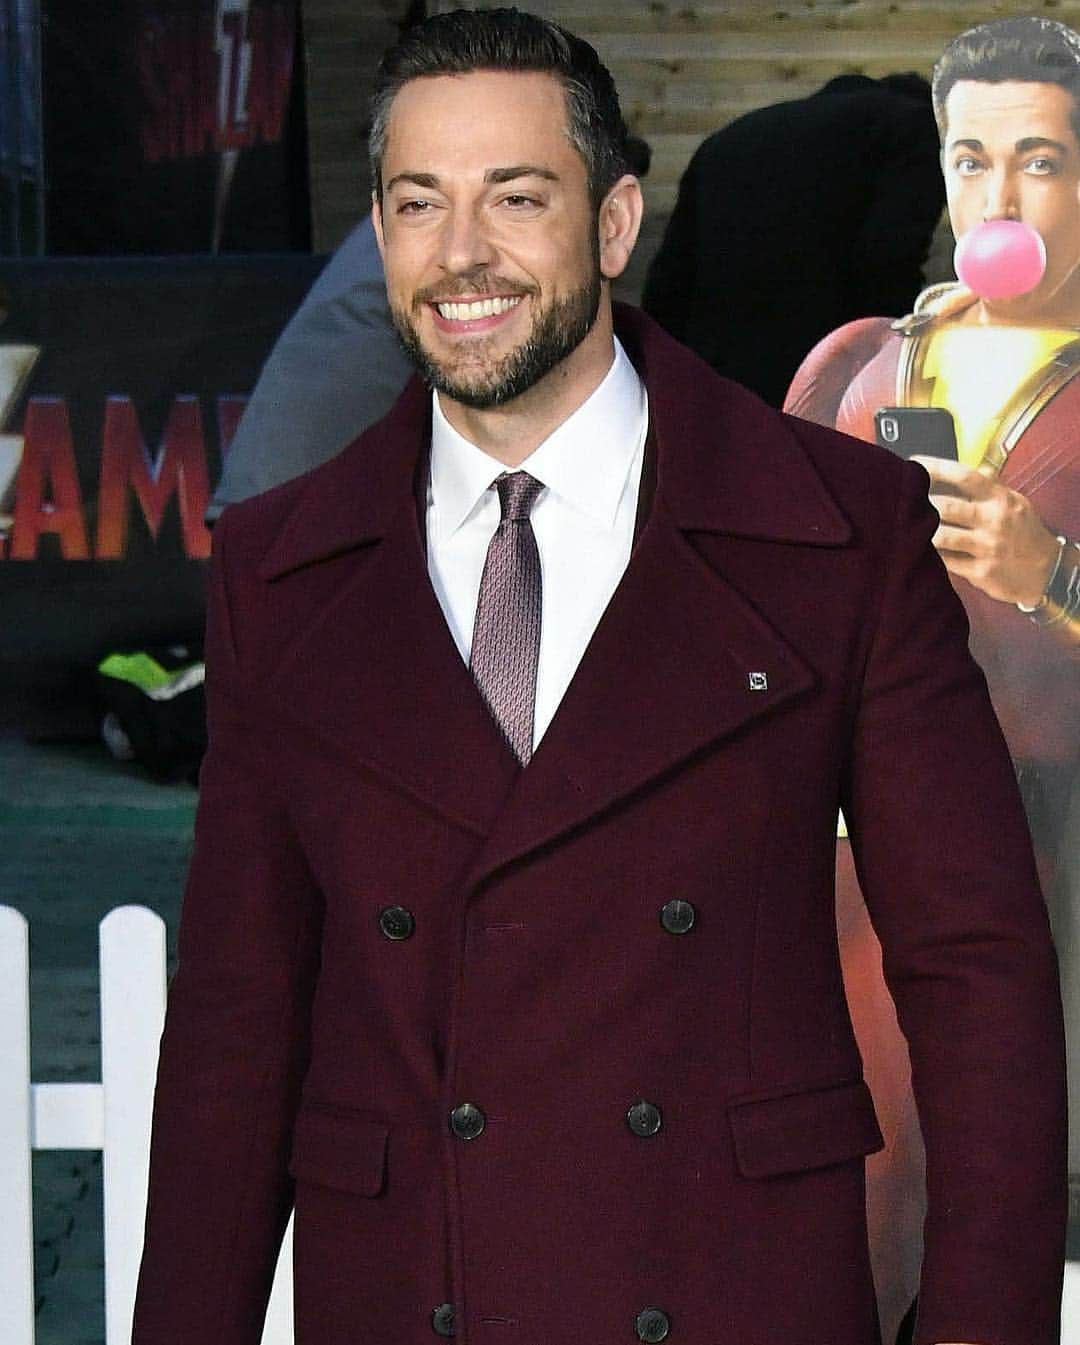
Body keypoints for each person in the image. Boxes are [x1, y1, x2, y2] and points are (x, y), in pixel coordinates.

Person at [132, 10, 1065, 1345]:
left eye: (517, 197)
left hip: (733, 1292)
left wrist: (981, 1327)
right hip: (411, 1297)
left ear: (615, 224)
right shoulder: (283, 567)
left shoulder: (839, 528)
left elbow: (975, 966)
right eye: (418, 203)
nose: (462, 255)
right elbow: (237, 1018)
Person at [785, 15, 1080, 1341]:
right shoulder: (864, 367)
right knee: (868, 1214)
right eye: (974, 161)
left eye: (1040, 160)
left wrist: (1053, 577)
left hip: (1059, 858)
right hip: (871, 878)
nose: (1001, 199)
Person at [642, 72, 945, 407]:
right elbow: (889, 257)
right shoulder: (915, 127)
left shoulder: (733, 136)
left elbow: (669, 283)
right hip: (821, 380)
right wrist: (898, 357)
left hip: (714, 384)